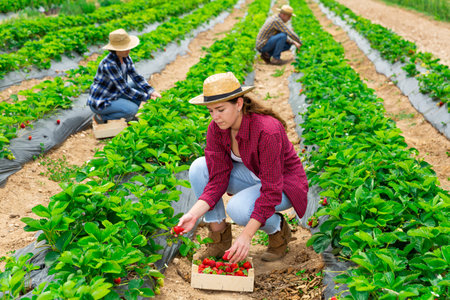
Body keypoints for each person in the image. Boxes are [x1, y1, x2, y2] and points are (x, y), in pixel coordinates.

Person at [176, 72, 308, 263]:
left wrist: (245, 237)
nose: (215, 117)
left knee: (239, 210)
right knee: (199, 167)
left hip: (283, 185)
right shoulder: (216, 129)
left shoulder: (266, 131)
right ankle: (219, 238)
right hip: (252, 176)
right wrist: (193, 214)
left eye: (220, 109)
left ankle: (277, 230)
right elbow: (217, 179)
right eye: (211, 111)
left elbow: (271, 190)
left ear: (238, 104)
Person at [87, 28, 161, 124]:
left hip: (115, 93)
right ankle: (101, 117)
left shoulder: (125, 57)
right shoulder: (109, 64)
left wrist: (151, 91)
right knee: (133, 109)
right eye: (124, 48)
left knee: (137, 86)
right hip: (102, 101)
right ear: (115, 49)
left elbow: (136, 77)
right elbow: (125, 90)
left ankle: (127, 115)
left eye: (128, 47)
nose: (128, 50)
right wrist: (148, 98)